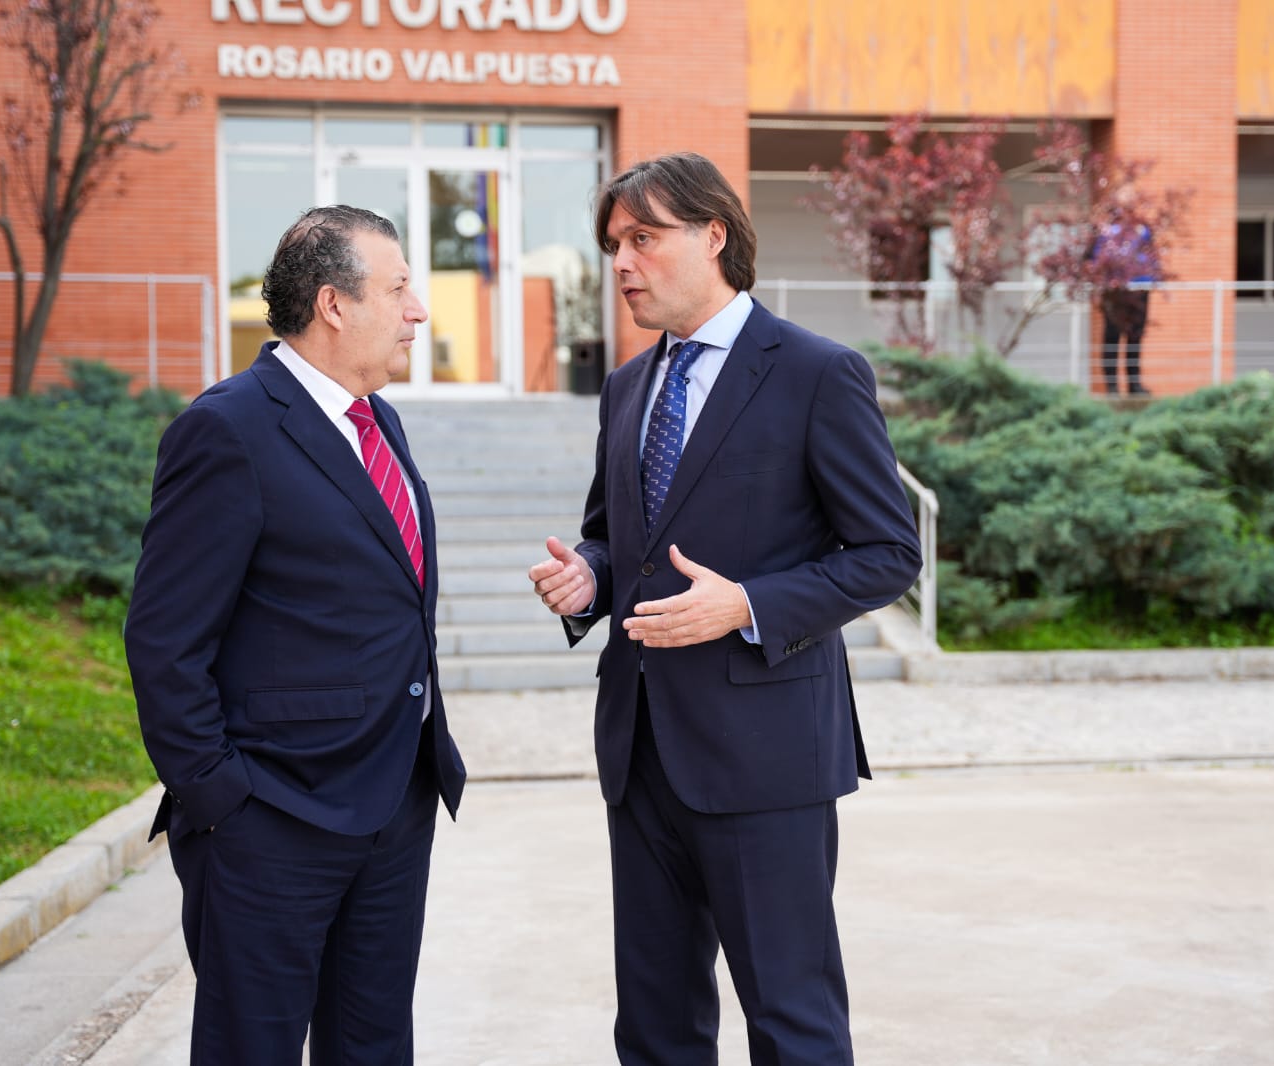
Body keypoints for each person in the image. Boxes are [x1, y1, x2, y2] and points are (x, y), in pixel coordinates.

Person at [527, 152, 922, 1065]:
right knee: (655, 1025)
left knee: (791, 1019)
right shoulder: (627, 387)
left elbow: (886, 553)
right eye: (613, 245)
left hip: (765, 760)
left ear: (713, 235)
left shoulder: (817, 373)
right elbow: (609, 534)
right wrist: (588, 576)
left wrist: (745, 604)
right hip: (640, 753)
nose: (621, 263)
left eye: (642, 239)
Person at [124, 205, 466, 1066]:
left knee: (373, 1047)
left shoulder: (375, 420)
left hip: (393, 803)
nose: (418, 310)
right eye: (398, 289)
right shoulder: (227, 429)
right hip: (270, 821)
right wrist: (220, 800)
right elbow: (165, 641)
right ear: (334, 305)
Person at [1092, 209, 1159, 396]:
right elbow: (1098, 260)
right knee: (1112, 337)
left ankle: (1134, 384)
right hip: (1115, 291)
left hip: (1140, 290)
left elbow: (1152, 258)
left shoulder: (1143, 231)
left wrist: (1154, 279)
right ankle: (1112, 387)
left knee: (1135, 337)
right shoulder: (1107, 233)